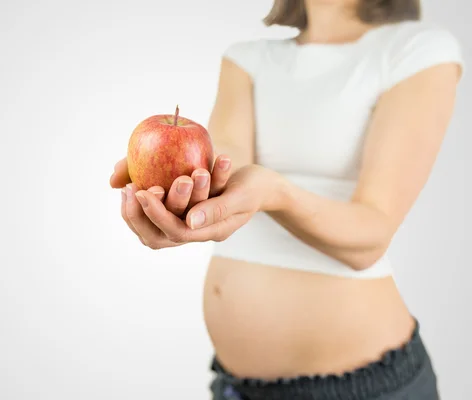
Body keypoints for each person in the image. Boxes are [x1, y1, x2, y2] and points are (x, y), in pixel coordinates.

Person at [109, 0, 464, 398]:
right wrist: (185, 194)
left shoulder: (416, 49)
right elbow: (224, 172)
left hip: (364, 390)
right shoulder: (247, 59)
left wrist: (276, 194)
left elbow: (371, 237)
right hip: (236, 387)